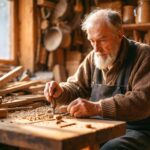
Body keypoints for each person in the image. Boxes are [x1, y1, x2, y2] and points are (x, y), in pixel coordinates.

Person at [44, 9, 150, 150]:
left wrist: (97, 108)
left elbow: (142, 101)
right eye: (92, 41)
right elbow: (77, 86)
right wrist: (61, 91)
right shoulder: (94, 57)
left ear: (120, 34)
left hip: (136, 130)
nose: (96, 49)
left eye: (102, 40)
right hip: (101, 127)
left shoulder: (143, 55)